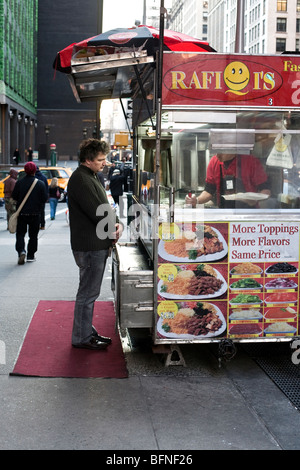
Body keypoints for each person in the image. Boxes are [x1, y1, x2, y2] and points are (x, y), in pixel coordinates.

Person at [67, 138, 123, 351]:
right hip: (90, 247)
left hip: (93, 244)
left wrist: (115, 224)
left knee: (88, 293)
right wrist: (116, 227)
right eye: (100, 159)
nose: (104, 162)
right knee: (88, 294)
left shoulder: (89, 176)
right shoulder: (82, 179)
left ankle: (85, 332)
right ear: (87, 160)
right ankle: (81, 337)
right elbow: (99, 212)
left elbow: (103, 208)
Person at [186, 153, 271, 209]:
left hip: (248, 213)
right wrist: (196, 201)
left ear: (232, 149)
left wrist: (255, 199)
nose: (218, 154)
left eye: (221, 150)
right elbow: (209, 190)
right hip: (224, 212)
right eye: (216, 150)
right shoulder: (214, 161)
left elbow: (266, 190)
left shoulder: (251, 161)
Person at [11, 162, 48, 264]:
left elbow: (14, 196)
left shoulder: (19, 183)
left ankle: (21, 251)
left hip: (22, 213)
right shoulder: (40, 183)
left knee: (20, 234)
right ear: (35, 171)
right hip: (35, 214)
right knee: (33, 236)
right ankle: (31, 255)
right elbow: (44, 198)